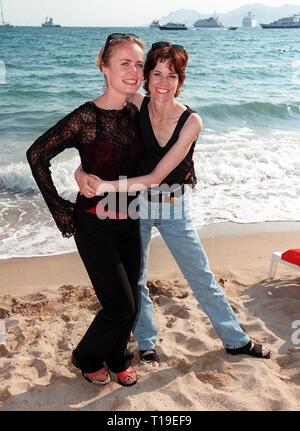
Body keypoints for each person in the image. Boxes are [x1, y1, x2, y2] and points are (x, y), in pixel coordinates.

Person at [76, 41, 271, 364]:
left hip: (173, 207)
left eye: (172, 75)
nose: (163, 83)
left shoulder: (191, 122)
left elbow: (156, 176)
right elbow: (96, 146)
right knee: (136, 279)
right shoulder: (135, 105)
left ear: (181, 81)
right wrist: (82, 171)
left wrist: (105, 187)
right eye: (156, 73)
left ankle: (235, 340)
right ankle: (146, 341)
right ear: (147, 76)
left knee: (200, 275)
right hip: (135, 205)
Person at [26, 33, 147, 386]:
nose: (133, 71)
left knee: (132, 301)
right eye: (124, 63)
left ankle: (117, 355)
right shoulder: (86, 117)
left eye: (138, 64)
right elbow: (37, 155)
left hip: (130, 221)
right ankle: (86, 356)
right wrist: (60, 209)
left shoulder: (138, 110)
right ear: (104, 68)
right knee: (120, 307)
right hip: (94, 226)